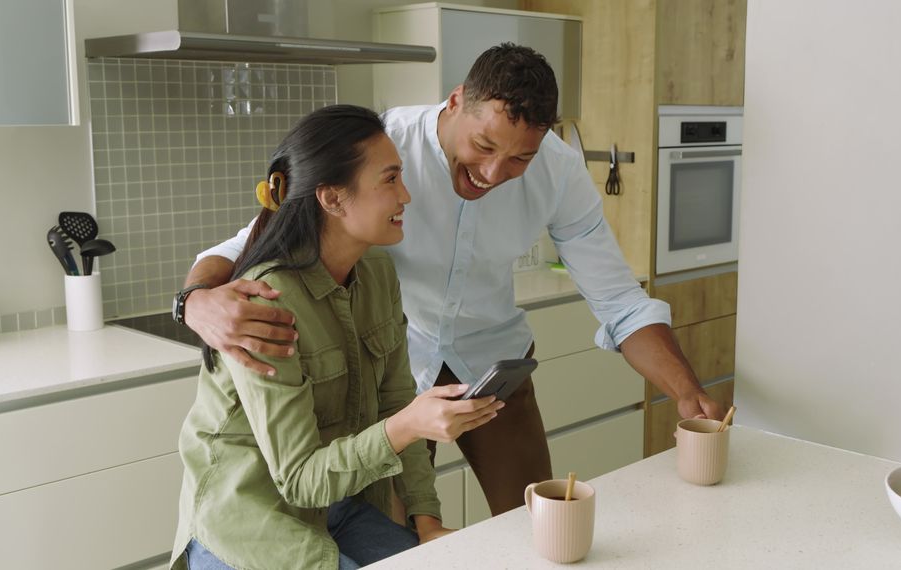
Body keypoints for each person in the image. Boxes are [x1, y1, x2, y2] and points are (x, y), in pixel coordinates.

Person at [180, 44, 725, 517]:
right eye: (485, 147)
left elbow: (620, 302)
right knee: (405, 535)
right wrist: (196, 300)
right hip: (392, 384)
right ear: (457, 100)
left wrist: (686, 393)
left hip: (494, 372)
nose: (493, 174)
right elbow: (251, 244)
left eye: (519, 160)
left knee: (538, 521)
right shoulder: (383, 149)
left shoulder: (558, 171)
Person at [170, 105, 503, 570]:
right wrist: (409, 426)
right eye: (389, 180)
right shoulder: (268, 302)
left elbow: (395, 402)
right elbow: (300, 479)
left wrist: (426, 520)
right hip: (247, 524)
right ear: (332, 199)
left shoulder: (379, 275)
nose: (405, 195)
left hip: (335, 510)